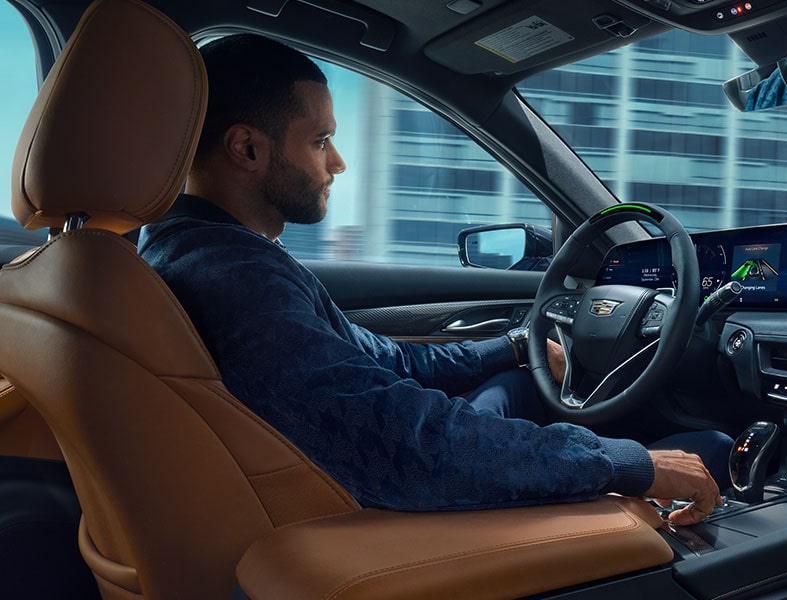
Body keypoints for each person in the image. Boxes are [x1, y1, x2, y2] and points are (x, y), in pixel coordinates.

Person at [138, 33, 731, 525]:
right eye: (321, 141)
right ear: (245, 148)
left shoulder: (196, 252)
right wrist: (628, 464)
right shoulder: (237, 278)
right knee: (711, 451)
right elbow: (407, 444)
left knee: (516, 390)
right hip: (365, 514)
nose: (338, 162)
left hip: (340, 487)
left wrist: (512, 346)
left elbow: (382, 363)